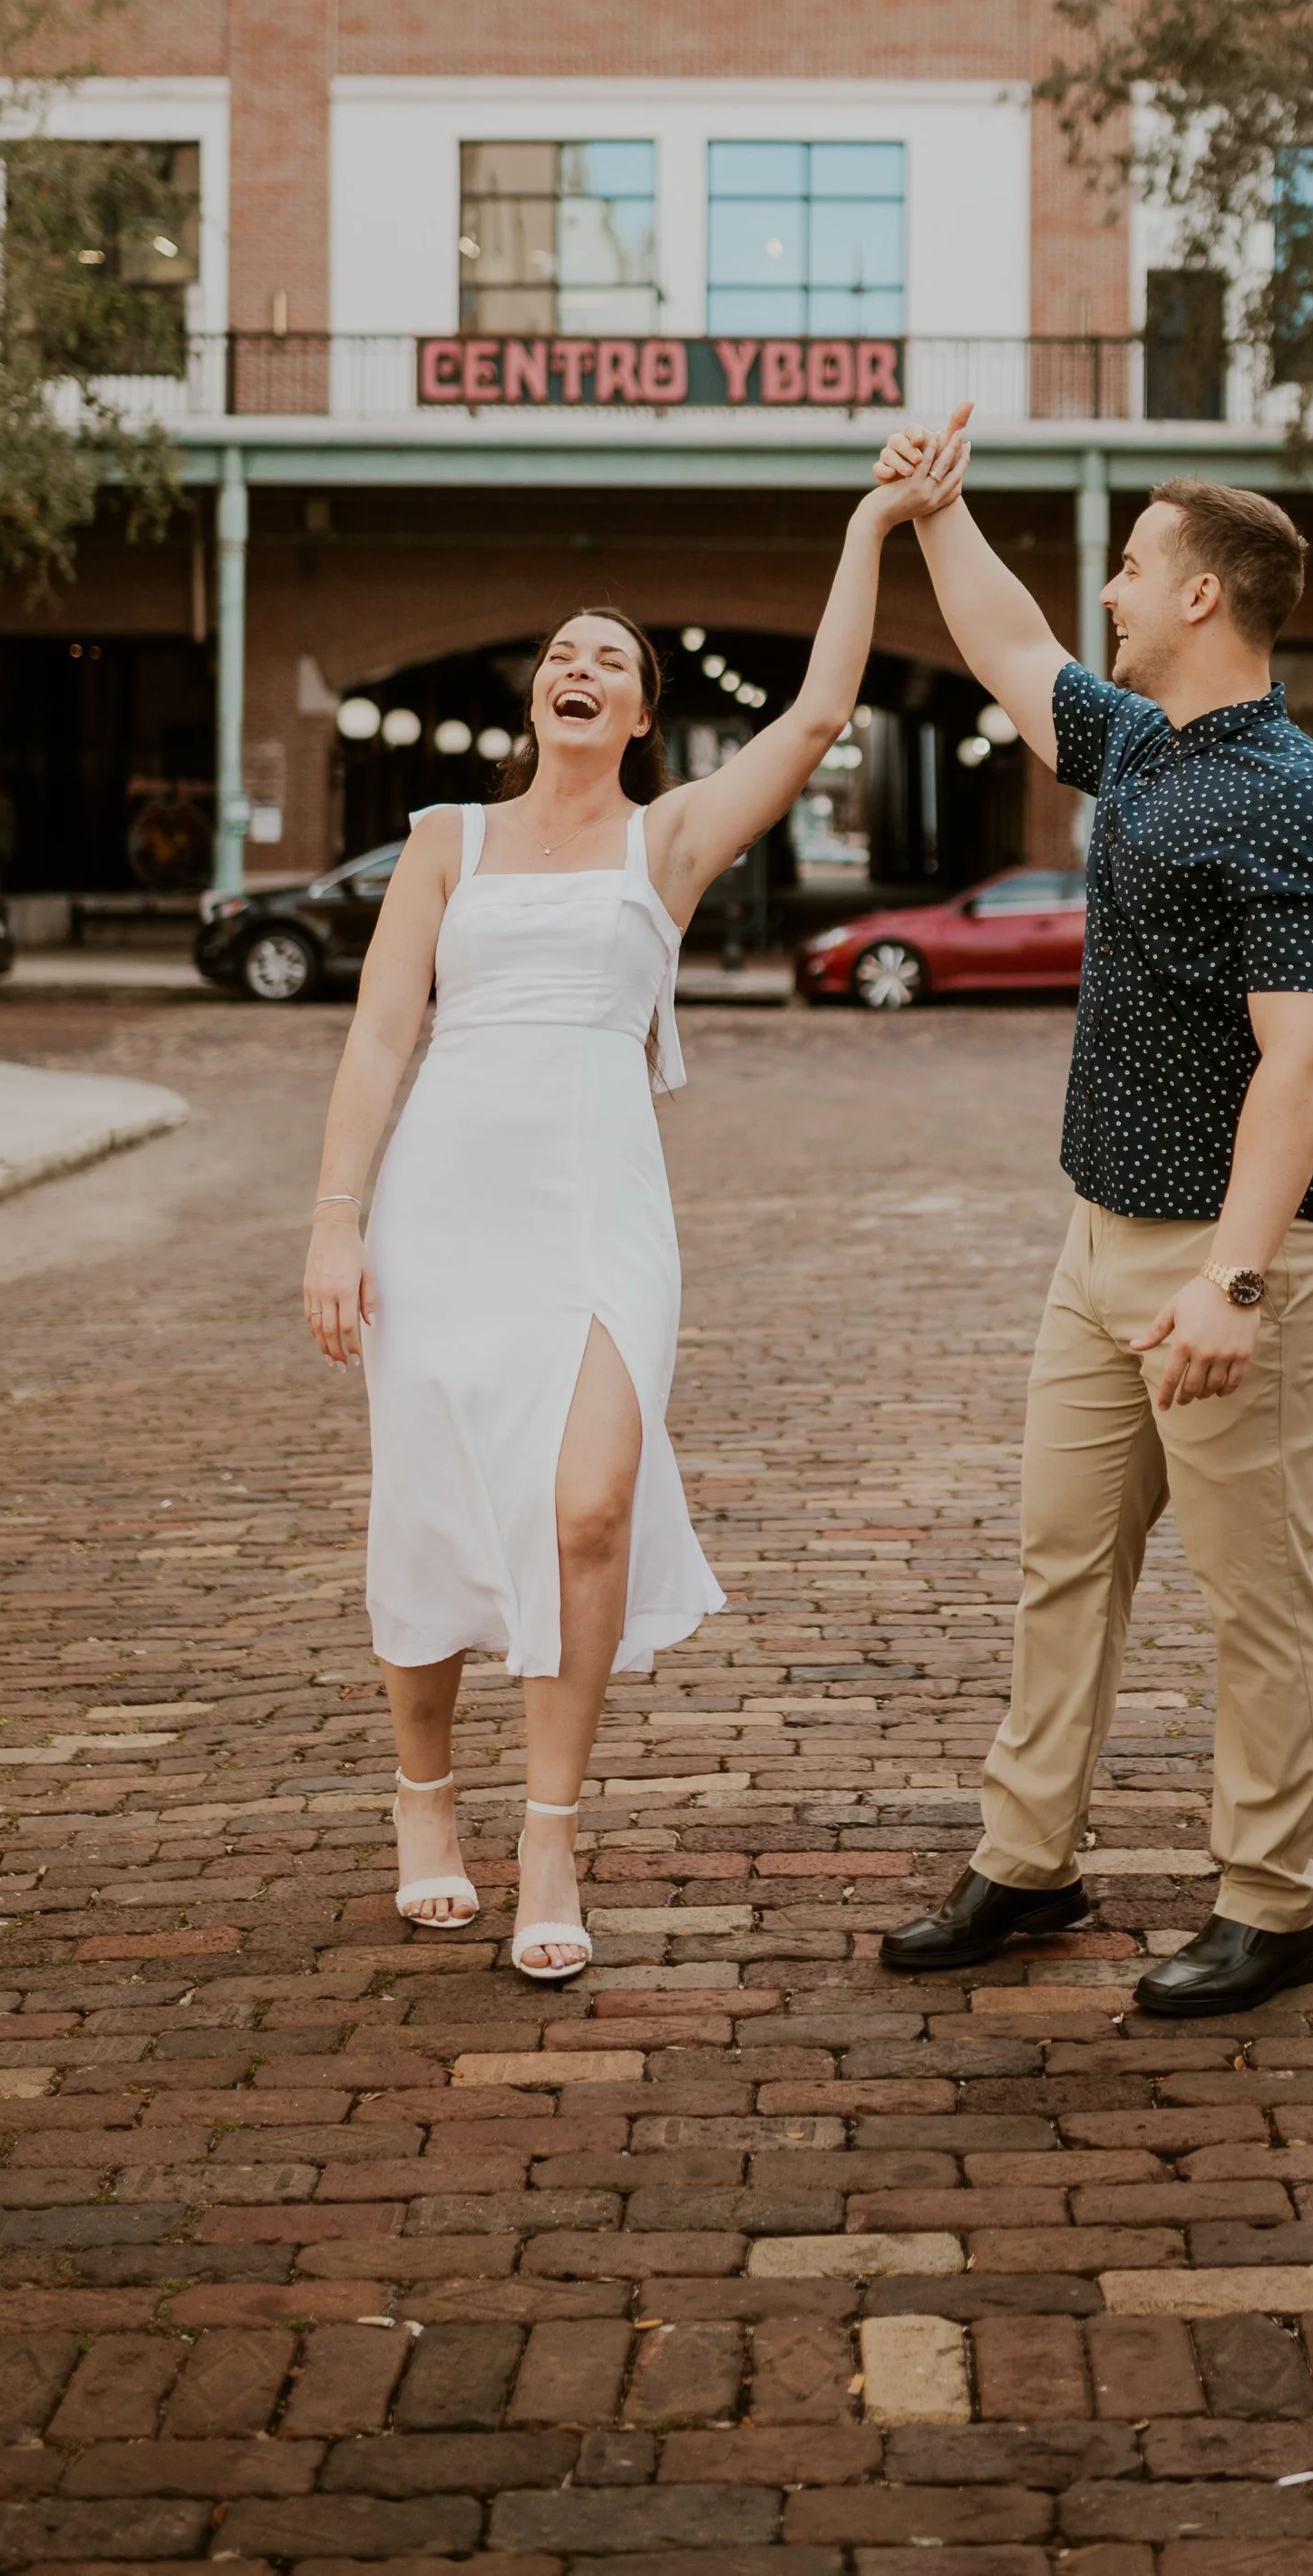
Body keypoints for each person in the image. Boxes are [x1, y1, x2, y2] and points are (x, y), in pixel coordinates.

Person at [302, 463, 948, 1977]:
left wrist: (865, 530)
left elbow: (812, 717)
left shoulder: (664, 844)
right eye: (559, 654)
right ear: (535, 698)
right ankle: (422, 1803)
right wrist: (337, 1222)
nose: (577, 667)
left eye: (610, 659)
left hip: (599, 1201)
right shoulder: (447, 837)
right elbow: (382, 1037)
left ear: (643, 715)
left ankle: (550, 1830)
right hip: (442, 1199)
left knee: (590, 1497)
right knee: (430, 1496)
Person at [871, 418, 1313, 2017]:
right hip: (1101, 1236)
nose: (1106, 590)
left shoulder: (1301, 798)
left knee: (1255, 1591)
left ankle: (1270, 1902)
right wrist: (934, 516)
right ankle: (1029, 1863)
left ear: (1206, 596)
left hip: (1245, 1251)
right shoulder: (1153, 746)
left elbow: (1305, 1059)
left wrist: (1234, 1282)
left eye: (1131, 565)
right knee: (1062, 1562)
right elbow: (1016, 647)